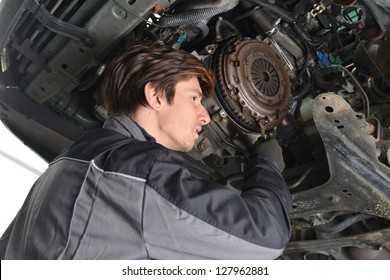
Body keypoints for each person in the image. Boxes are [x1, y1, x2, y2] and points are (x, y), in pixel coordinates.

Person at [0, 44, 292, 259]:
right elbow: (265, 237)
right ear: (154, 95)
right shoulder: (135, 169)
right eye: (194, 98)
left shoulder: (69, 161)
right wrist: (267, 164)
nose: (204, 117)